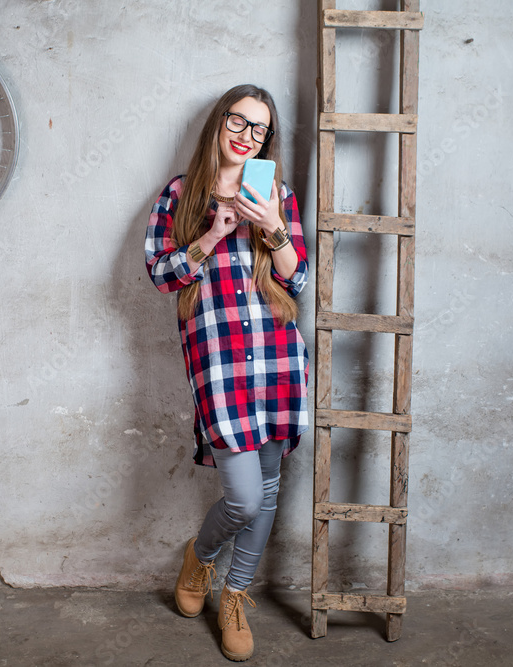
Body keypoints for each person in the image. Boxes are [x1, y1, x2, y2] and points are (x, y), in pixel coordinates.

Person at [144, 84, 309, 662]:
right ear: (218, 125)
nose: (245, 136)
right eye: (237, 122)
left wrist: (274, 228)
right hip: (218, 362)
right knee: (242, 497)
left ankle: (234, 597)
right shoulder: (180, 194)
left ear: (267, 141)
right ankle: (200, 557)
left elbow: (299, 280)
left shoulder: (276, 195)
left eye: (258, 129)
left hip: (278, 357)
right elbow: (162, 273)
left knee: (266, 491)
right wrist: (213, 233)